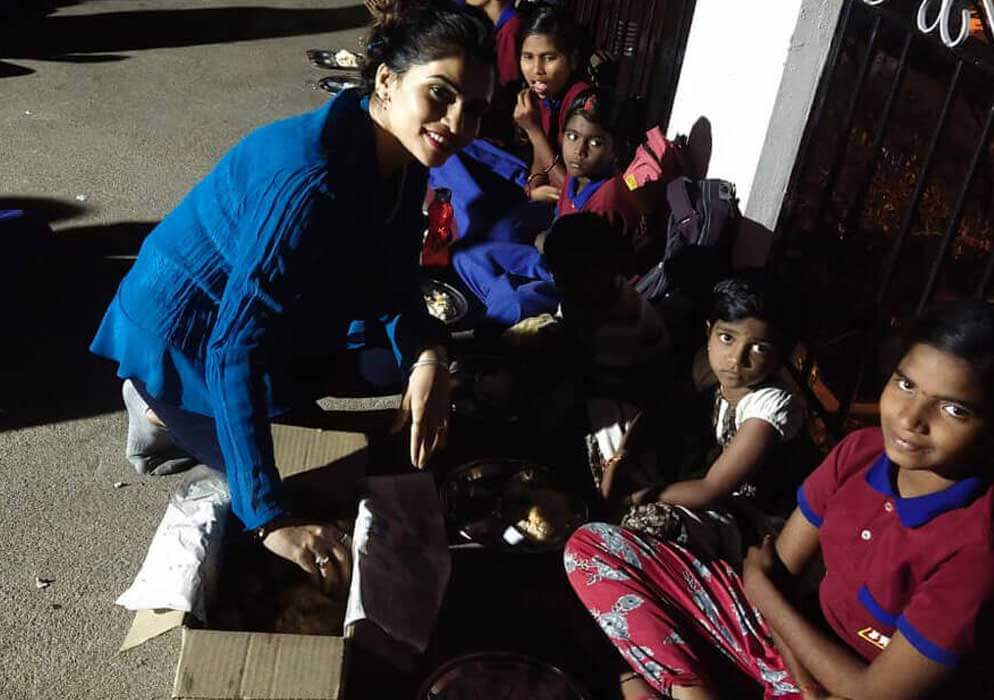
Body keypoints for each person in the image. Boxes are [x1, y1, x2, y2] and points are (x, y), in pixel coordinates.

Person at [90, 0, 495, 581]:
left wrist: (427, 356)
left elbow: (395, 282)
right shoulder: (309, 181)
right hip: (186, 336)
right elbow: (234, 348)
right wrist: (269, 521)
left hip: (276, 319)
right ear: (387, 81)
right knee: (307, 484)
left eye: (474, 109)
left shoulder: (403, 160)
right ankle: (159, 404)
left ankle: (252, 411)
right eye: (440, 94)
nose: (456, 123)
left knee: (414, 373)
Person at [565, 299, 994, 700]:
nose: (910, 418)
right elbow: (777, 576)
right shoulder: (860, 453)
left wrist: (765, 595)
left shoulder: (977, 545)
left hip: (845, 689)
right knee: (591, 547)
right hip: (784, 644)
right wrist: (781, 631)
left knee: (622, 648)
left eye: (954, 410)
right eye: (905, 384)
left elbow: (873, 690)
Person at [597, 271, 804, 552]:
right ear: (709, 332)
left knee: (647, 521)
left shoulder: (772, 404)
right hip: (693, 479)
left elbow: (711, 490)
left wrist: (632, 499)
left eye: (759, 348)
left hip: (742, 516)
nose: (736, 359)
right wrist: (620, 460)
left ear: (781, 355)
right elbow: (656, 413)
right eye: (727, 338)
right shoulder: (707, 366)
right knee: (604, 422)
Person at [452, 89, 641, 325]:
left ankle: (501, 307)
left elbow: (586, 280)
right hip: (551, 261)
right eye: (572, 136)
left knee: (514, 302)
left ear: (617, 151)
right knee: (467, 257)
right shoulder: (578, 173)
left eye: (596, 143)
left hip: (574, 287)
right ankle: (499, 296)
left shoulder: (608, 199)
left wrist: (545, 245)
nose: (579, 151)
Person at [514, 1, 590, 192]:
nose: (537, 70)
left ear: (572, 60)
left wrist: (533, 130)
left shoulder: (584, 104)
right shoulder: (545, 99)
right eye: (528, 57)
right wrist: (532, 191)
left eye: (549, 58)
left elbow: (572, 194)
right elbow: (538, 170)